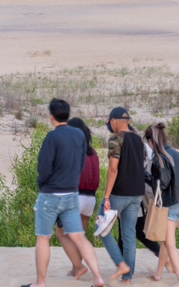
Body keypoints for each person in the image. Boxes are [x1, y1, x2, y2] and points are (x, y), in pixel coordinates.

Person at [28, 99, 105, 287]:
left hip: (51, 193)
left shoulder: (51, 137)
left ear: (51, 116)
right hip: (72, 193)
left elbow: (44, 167)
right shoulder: (79, 135)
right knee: (79, 236)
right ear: (68, 114)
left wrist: (41, 183)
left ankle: (41, 282)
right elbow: (80, 165)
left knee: (43, 237)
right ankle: (97, 277)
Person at [100, 107, 145, 283]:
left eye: (111, 121)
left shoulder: (116, 138)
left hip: (119, 193)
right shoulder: (138, 139)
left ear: (115, 121)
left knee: (102, 227)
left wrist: (106, 197)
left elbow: (113, 169)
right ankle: (127, 277)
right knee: (128, 236)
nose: (111, 124)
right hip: (136, 195)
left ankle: (120, 264)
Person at [145, 123, 179, 285]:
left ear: (151, 141)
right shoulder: (175, 154)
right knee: (166, 240)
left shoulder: (159, 158)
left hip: (170, 203)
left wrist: (147, 177)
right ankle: (158, 273)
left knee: (170, 243)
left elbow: (162, 184)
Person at [54, 117, 100, 281]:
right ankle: (75, 270)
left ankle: (79, 267)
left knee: (61, 234)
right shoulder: (92, 152)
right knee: (80, 236)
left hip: (74, 196)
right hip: (90, 199)